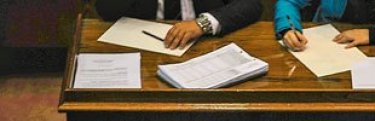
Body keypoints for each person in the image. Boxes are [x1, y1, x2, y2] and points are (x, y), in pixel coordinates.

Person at [96, 0, 263, 49]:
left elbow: (251, 4)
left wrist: (203, 24)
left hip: (206, 46)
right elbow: (107, 10)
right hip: (141, 48)